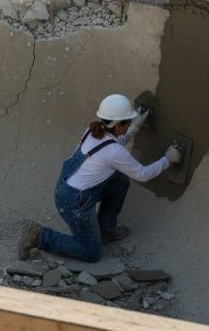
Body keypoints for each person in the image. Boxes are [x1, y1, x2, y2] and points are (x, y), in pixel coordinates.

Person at [18, 94, 182, 263]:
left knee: (120, 181)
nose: (128, 126)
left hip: (70, 189)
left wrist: (134, 127)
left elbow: (113, 146)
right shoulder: (114, 152)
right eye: (126, 122)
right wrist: (167, 159)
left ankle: (105, 231)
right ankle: (39, 236)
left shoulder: (93, 131)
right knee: (91, 252)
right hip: (75, 204)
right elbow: (142, 174)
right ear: (118, 126)